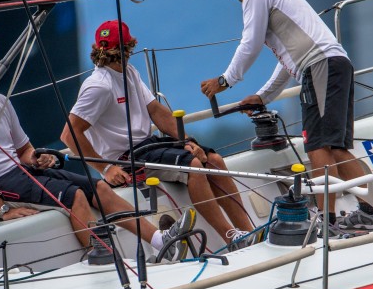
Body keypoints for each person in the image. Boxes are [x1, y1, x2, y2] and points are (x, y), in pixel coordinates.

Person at [0, 34, 195, 261]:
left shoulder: (0, 101)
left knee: (99, 187)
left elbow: (24, 150)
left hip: (21, 174)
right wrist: (2, 210)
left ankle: (160, 240)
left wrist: (38, 159)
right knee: (75, 196)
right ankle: (104, 260)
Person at [200, 0, 373, 232]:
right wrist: (263, 96)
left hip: (320, 66)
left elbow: (250, 44)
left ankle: (327, 222)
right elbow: (287, 60)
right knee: (336, 148)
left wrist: (224, 80)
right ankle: (372, 213)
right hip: (333, 64)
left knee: (318, 146)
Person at [62, 21, 257, 249]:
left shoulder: (129, 72)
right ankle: (231, 238)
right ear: (127, 48)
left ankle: (250, 231)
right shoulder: (98, 86)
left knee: (211, 159)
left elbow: (155, 110)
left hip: (148, 146)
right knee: (193, 166)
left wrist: (188, 142)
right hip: (125, 159)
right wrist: (105, 168)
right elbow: (69, 134)